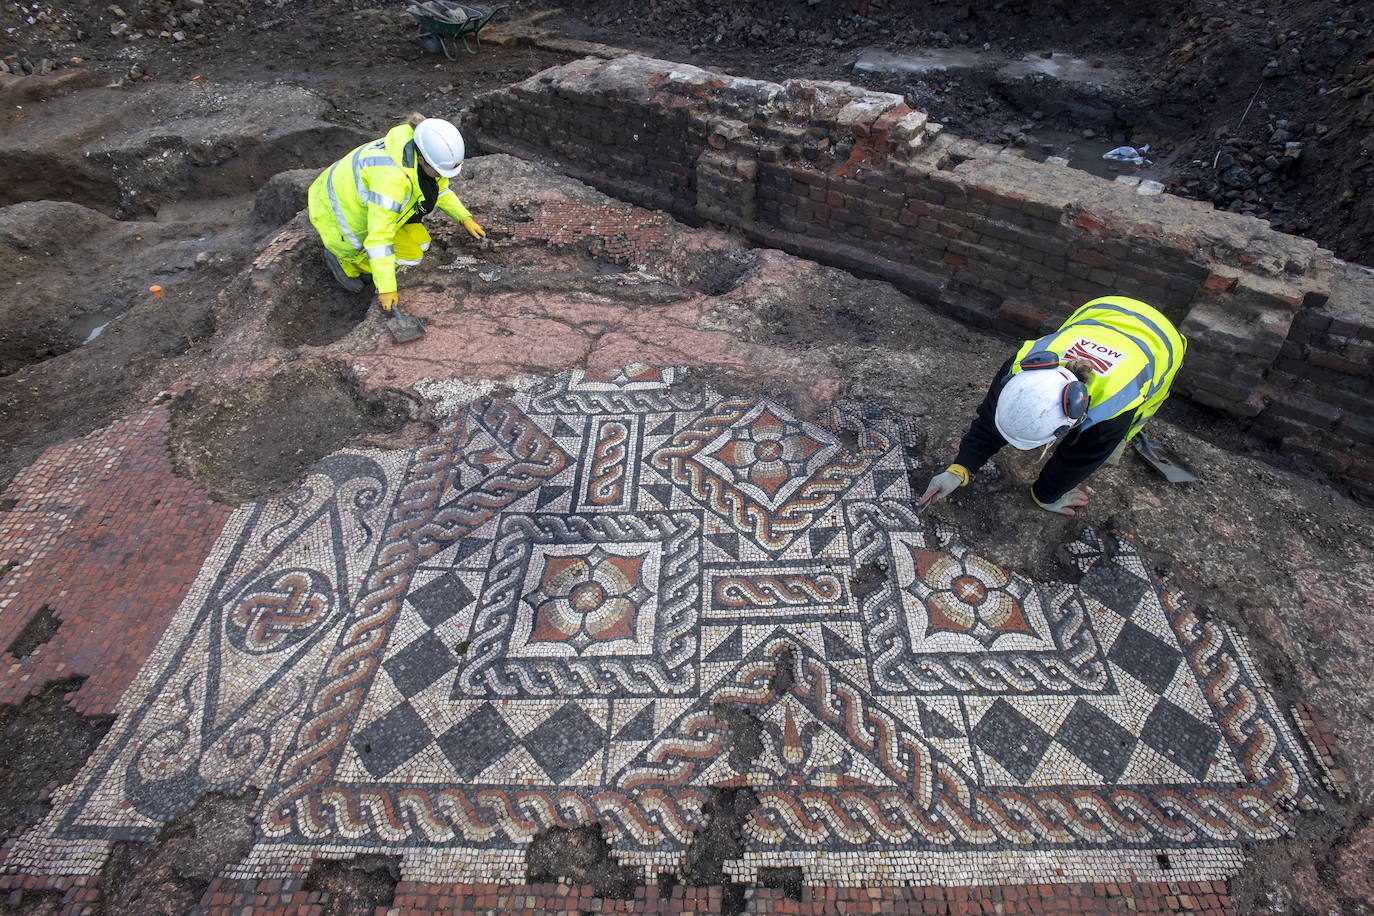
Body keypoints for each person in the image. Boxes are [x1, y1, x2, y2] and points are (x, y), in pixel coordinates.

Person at [918, 295, 1187, 516]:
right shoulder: (1018, 367)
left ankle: (1122, 440)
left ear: (1069, 424)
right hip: (1104, 309)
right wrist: (960, 468)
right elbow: (990, 423)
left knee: (1128, 423)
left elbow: (1079, 459)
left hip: (1163, 344)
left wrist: (1047, 495)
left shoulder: (1113, 407)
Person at [307, 113, 486, 318]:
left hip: (360, 202)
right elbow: (379, 238)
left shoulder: (419, 147)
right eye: (439, 171)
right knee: (409, 257)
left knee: (422, 245)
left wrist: (464, 217)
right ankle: (345, 262)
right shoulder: (391, 182)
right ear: (422, 160)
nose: (442, 176)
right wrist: (386, 288)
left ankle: (369, 263)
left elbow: (440, 190)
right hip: (339, 215)